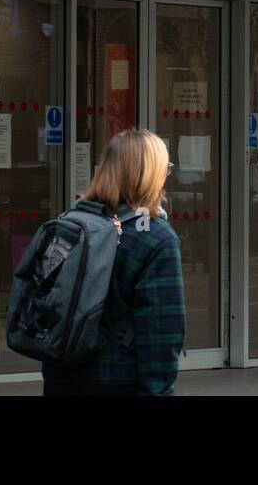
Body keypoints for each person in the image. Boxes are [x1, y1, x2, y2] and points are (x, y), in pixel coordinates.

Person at [42, 127, 186, 396]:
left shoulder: (71, 223)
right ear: (150, 175)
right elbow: (161, 332)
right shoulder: (154, 236)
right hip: (119, 380)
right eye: (165, 168)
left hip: (61, 378)